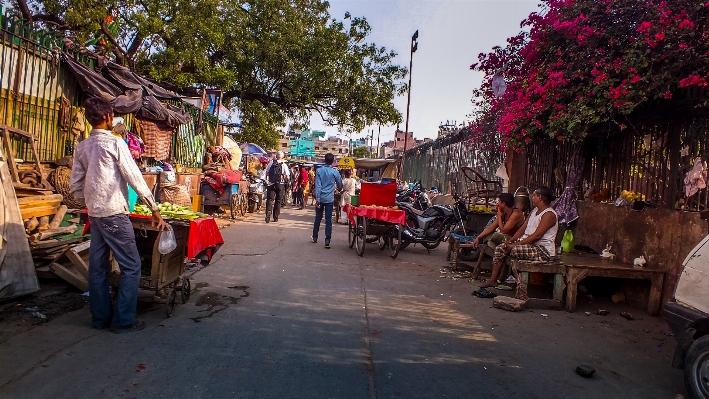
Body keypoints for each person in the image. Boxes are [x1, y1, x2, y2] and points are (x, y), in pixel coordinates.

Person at [70, 97, 169, 333]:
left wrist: (91, 202)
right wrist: (154, 208)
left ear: (88, 118)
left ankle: (100, 319)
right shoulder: (115, 144)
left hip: (96, 215)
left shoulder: (82, 147)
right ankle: (124, 320)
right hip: (114, 214)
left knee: (97, 269)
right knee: (132, 266)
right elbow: (134, 177)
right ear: (108, 117)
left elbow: (75, 186)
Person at [480, 187, 559, 288]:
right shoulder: (534, 211)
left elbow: (537, 236)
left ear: (540, 197)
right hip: (529, 246)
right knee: (501, 248)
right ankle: (493, 280)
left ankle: (517, 282)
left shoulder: (549, 214)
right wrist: (511, 241)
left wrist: (515, 245)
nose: (532, 197)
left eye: (534, 195)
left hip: (542, 250)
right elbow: (522, 229)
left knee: (513, 250)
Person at [312, 153, 343, 248]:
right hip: (329, 199)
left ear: (324, 160)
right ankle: (327, 240)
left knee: (318, 218)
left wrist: (317, 199)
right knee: (328, 220)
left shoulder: (319, 171)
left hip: (320, 198)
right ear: (333, 162)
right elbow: (340, 185)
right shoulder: (335, 172)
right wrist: (338, 188)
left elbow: (318, 185)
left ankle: (315, 237)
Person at [265, 151, 290, 223]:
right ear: (282, 157)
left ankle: (268, 212)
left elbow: (267, 173)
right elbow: (287, 176)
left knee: (269, 199)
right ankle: (275, 217)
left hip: (271, 183)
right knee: (278, 201)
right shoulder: (284, 165)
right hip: (280, 184)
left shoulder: (271, 163)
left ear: (276, 156)